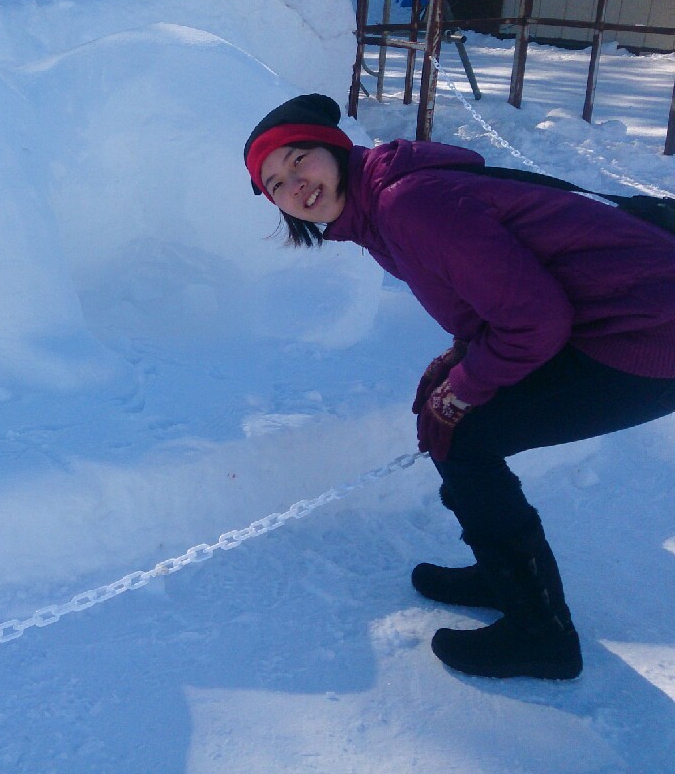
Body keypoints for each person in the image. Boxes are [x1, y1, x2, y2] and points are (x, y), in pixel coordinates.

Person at [242, 92, 675, 680]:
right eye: (274, 185)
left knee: (465, 434)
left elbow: (535, 320)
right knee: (449, 416)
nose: (294, 184)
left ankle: (539, 632)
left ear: (335, 149)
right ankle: (505, 575)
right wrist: (461, 359)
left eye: (298, 160)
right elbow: (498, 288)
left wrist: (466, 386)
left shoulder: (407, 204)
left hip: (650, 332)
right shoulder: (385, 200)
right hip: (620, 313)